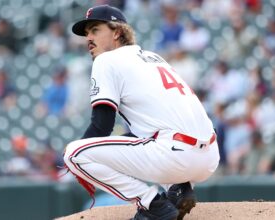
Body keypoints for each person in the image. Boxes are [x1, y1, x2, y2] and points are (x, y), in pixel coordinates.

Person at [63, 5, 220, 220]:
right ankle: (179, 188)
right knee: (145, 135)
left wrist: (83, 158)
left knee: (74, 154)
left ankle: (152, 204)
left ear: (117, 32)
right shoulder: (154, 58)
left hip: (173, 155)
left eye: (95, 30)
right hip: (209, 157)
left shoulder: (106, 60)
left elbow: (102, 125)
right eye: (86, 33)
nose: (88, 38)